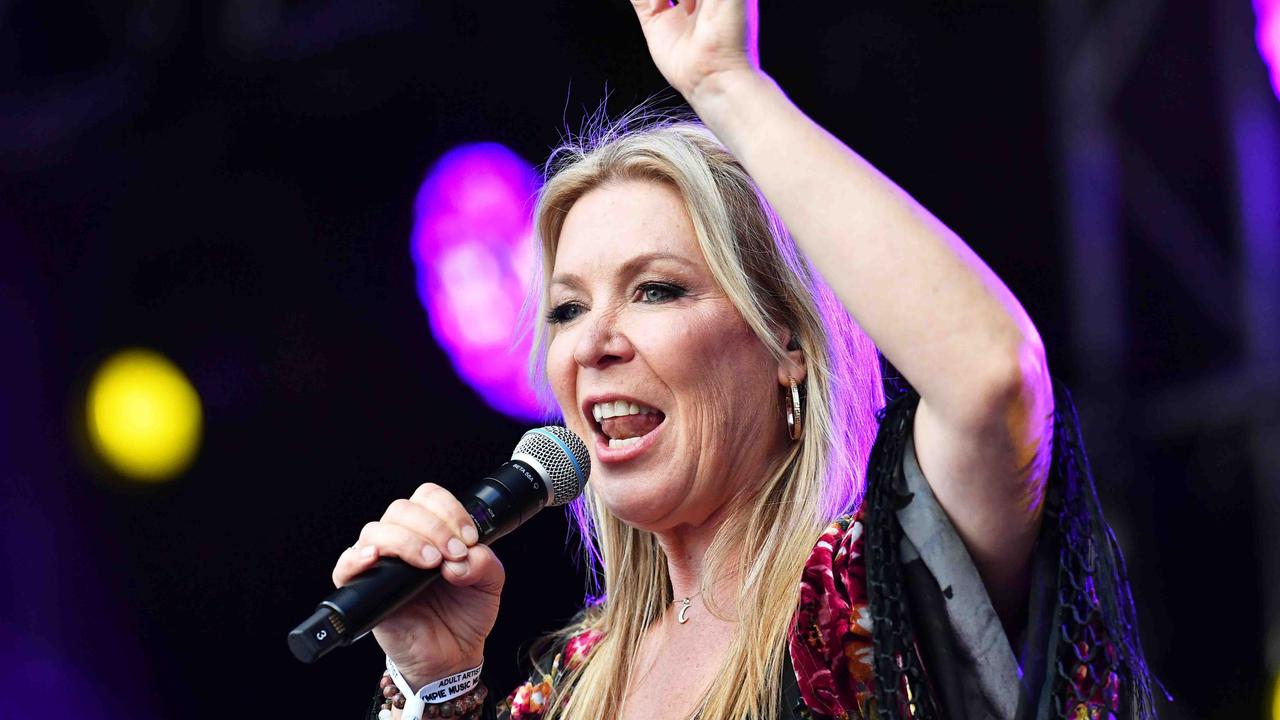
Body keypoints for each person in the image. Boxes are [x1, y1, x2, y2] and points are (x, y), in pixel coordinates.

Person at [331, 1, 1157, 718]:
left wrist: (727, 83)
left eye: (655, 291)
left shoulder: (875, 610)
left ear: (785, 346)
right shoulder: (564, 686)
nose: (593, 342)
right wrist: (433, 683)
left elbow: (989, 381)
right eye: (568, 309)